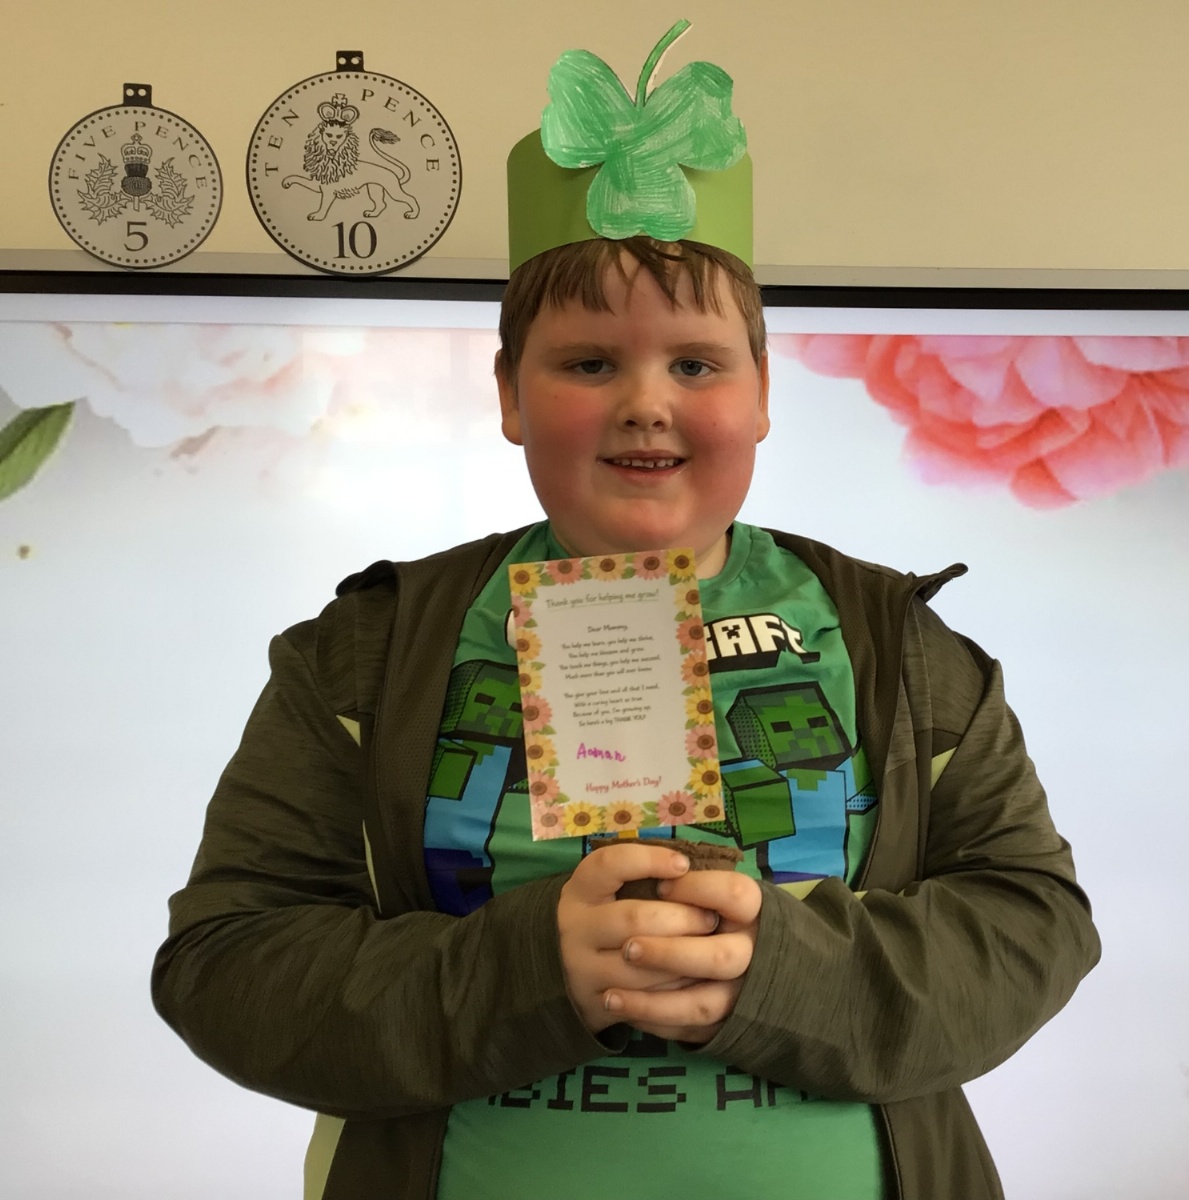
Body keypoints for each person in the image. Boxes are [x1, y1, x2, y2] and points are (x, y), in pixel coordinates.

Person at [152, 26, 1100, 1200]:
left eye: (696, 365)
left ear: (762, 396)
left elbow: (1032, 927)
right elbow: (226, 967)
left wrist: (773, 966)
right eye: (589, 363)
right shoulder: (366, 654)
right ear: (509, 395)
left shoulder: (897, 646)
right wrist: (530, 969)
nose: (647, 404)